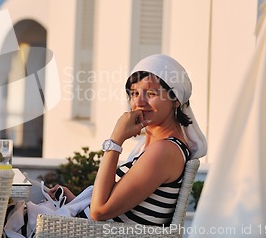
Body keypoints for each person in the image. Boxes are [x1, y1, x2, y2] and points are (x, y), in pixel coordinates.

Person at [46, 54, 207, 226]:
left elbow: (100, 211)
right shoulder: (152, 147)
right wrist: (74, 199)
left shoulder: (165, 151)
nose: (139, 101)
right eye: (134, 93)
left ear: (175, 99)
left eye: (151, 93)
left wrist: (116, 139)